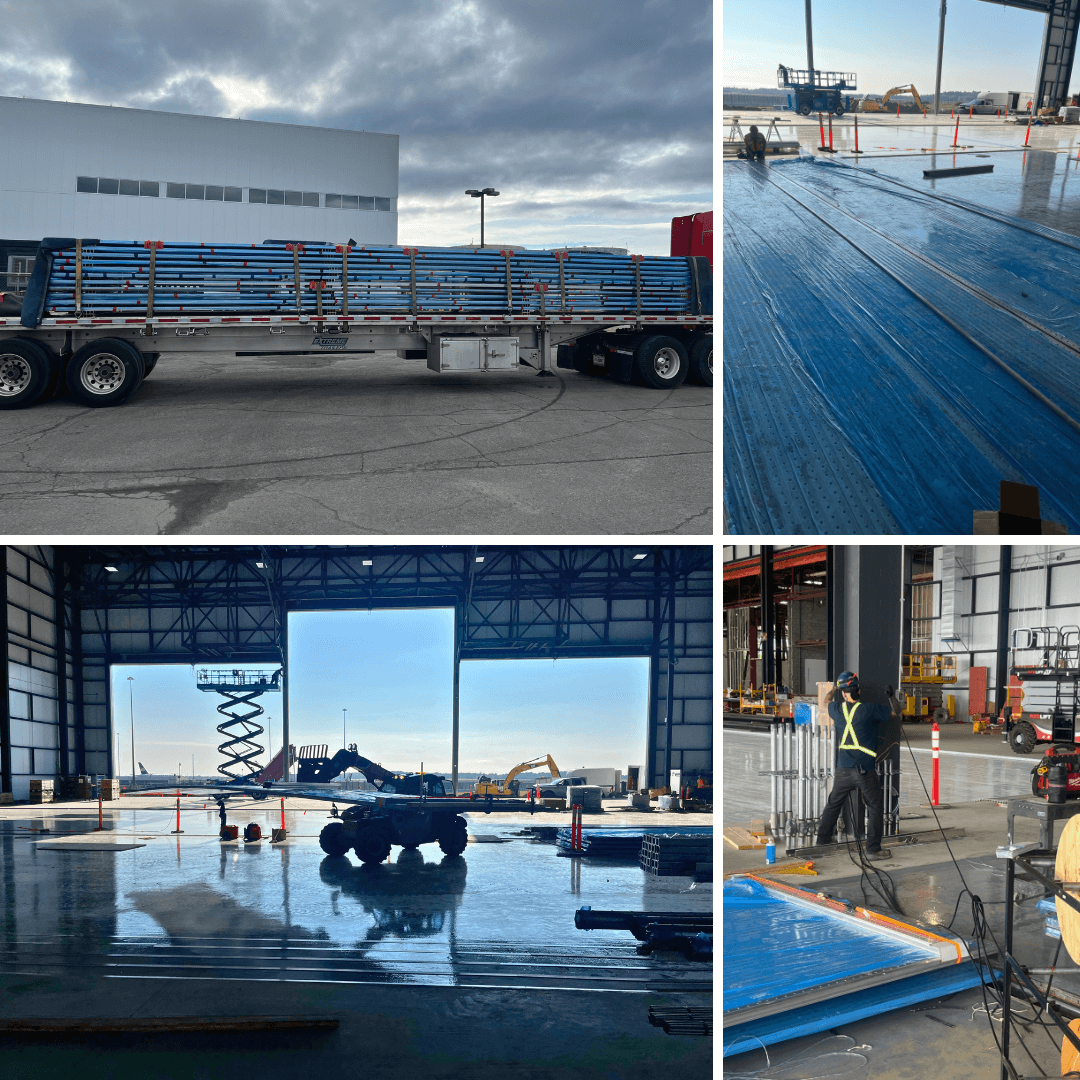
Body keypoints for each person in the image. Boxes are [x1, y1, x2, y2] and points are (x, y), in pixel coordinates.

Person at [814, 671, 901, 861]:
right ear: (859, 691)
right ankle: (873, 849)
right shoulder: (869, 709)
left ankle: (822, 839)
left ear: (844, 694)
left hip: (843, 770)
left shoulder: (837, 709)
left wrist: (835, 688)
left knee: (833, 804)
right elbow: (896, 711)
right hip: (864, 771)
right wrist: (891, 696)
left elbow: (825, 702)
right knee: (876, 807)